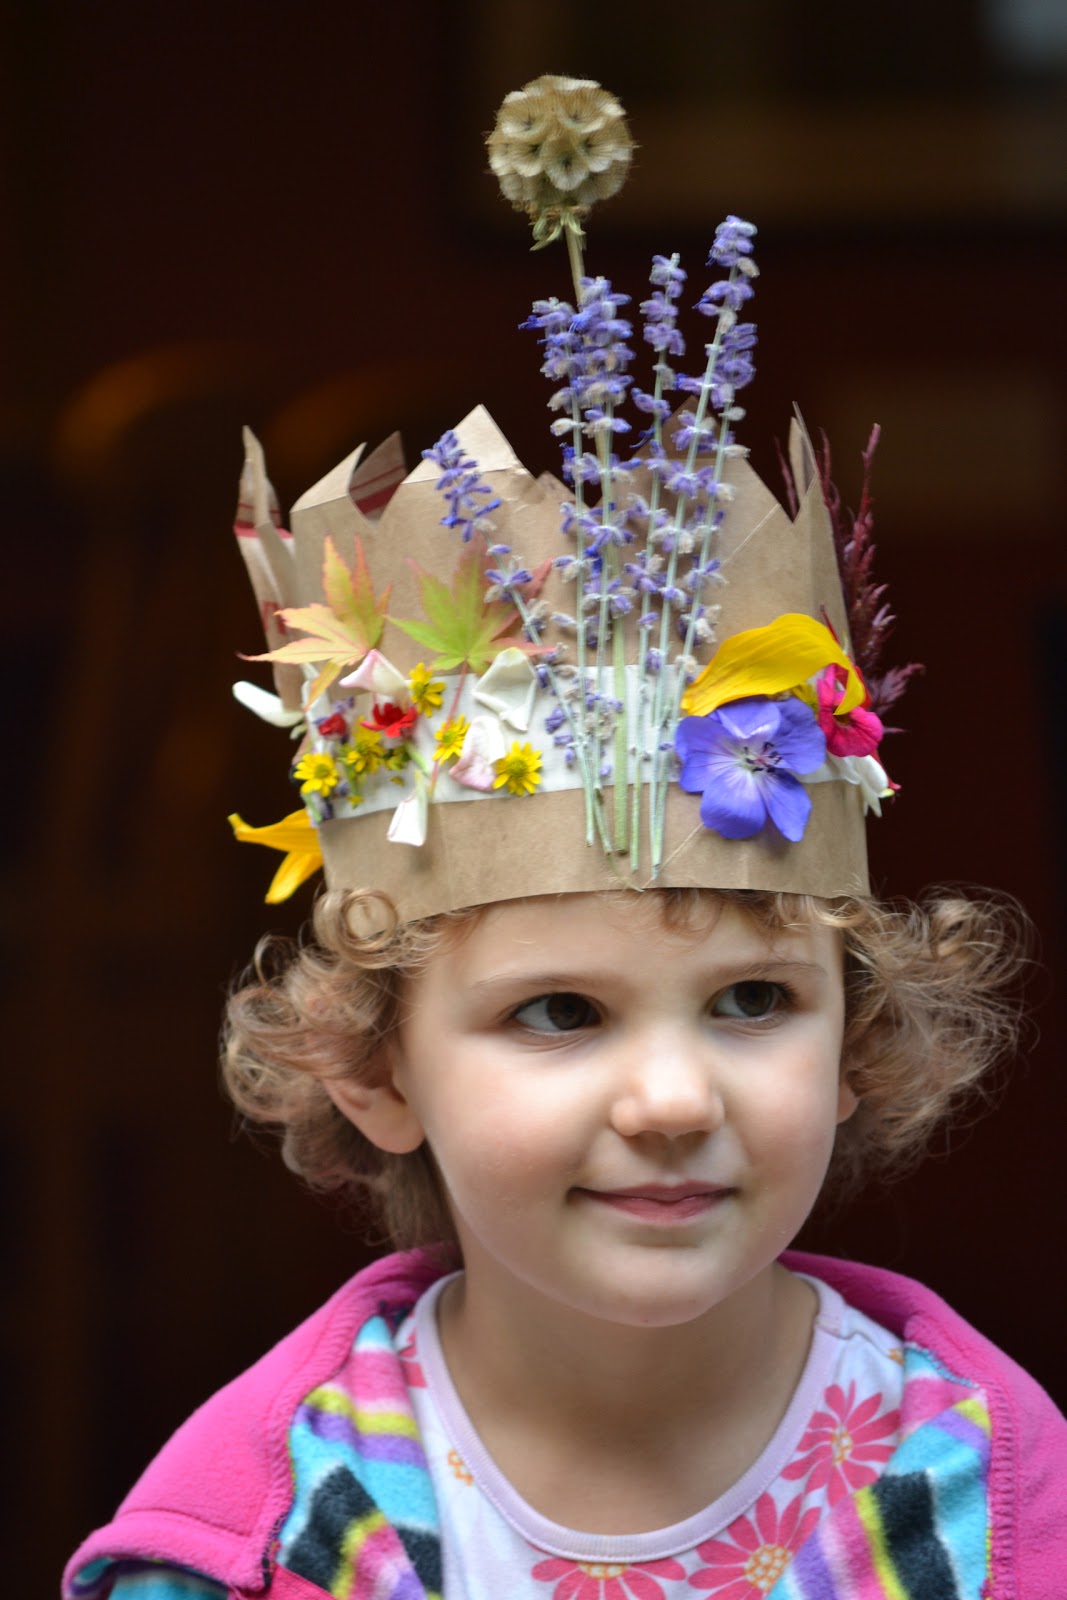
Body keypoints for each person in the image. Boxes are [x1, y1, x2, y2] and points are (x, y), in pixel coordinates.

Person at [64, 75, 1066, 1600]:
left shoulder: (986, 1489)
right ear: (375, 1071)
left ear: (859, 1041)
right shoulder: (271, 1527)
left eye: (753, 999)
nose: (672, 1098)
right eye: (558, 1013)